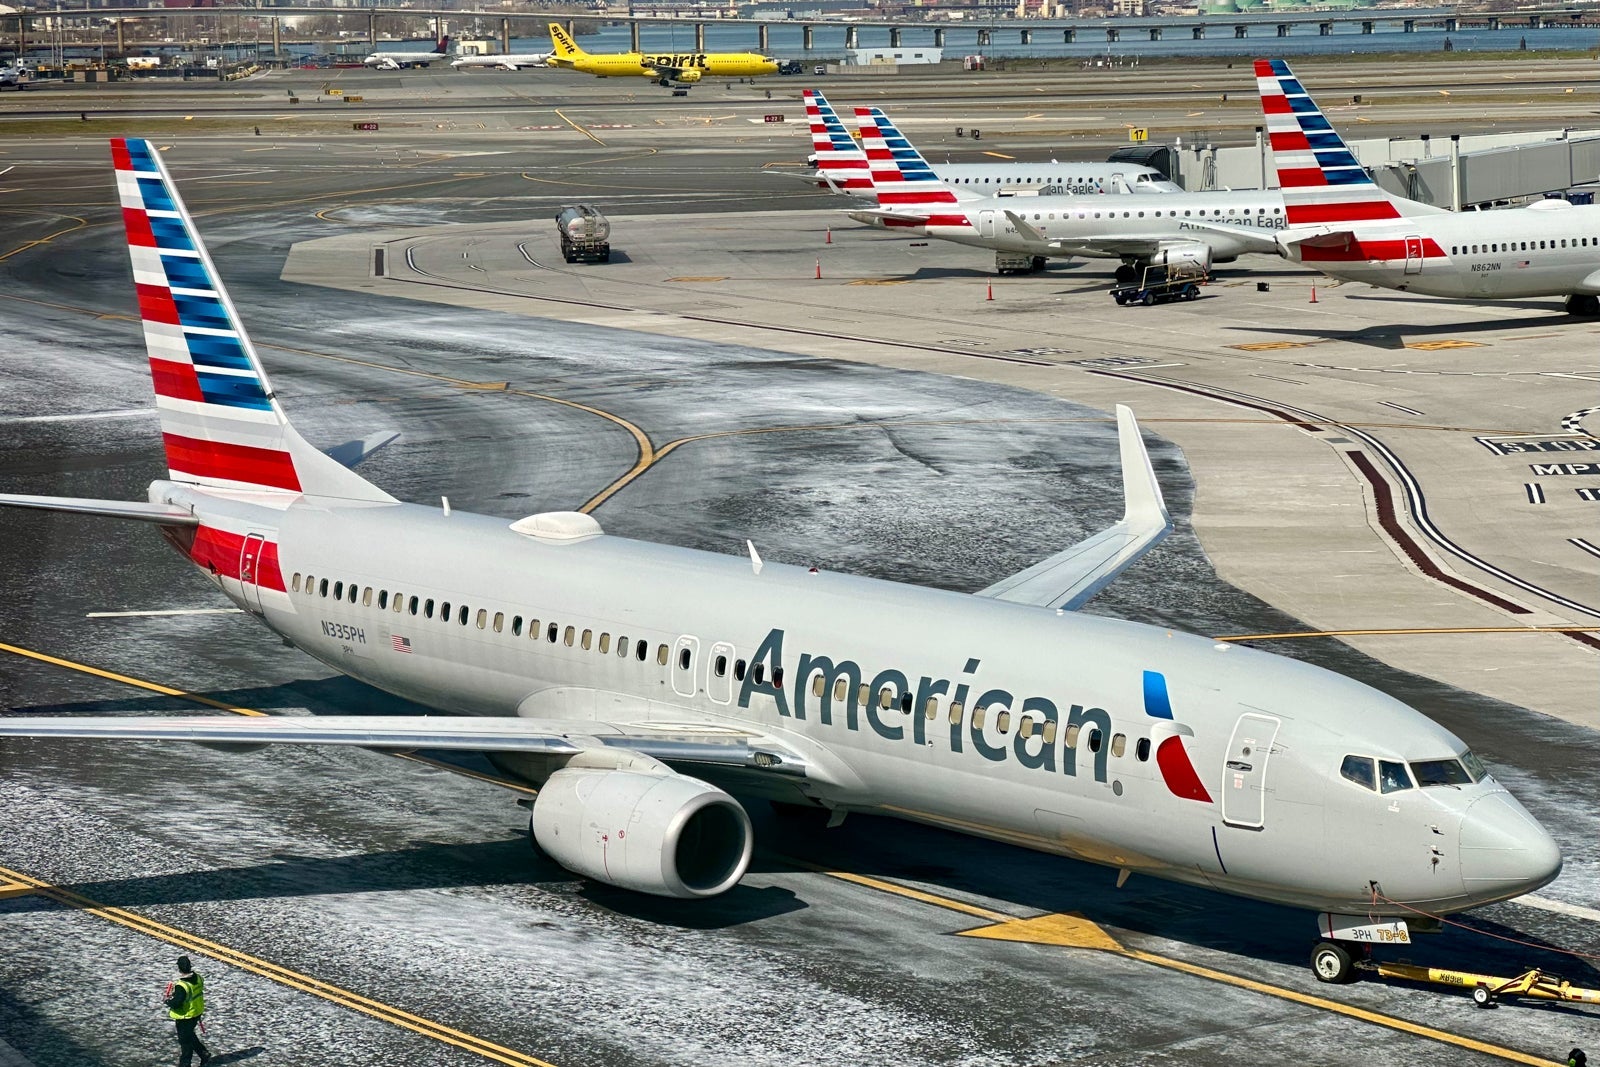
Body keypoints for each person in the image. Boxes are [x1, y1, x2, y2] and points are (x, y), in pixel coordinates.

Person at [164, 955, 212, 1067]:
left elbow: (177, 1003)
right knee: (190, 1035)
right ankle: (203, 1053)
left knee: (185, 1042)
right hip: (196, 1012)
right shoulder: (199, 978)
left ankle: (185, 1063)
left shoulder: (182, 985)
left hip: (185, 1016)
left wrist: (167, 1001)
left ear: (179, 968)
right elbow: (191, 994)